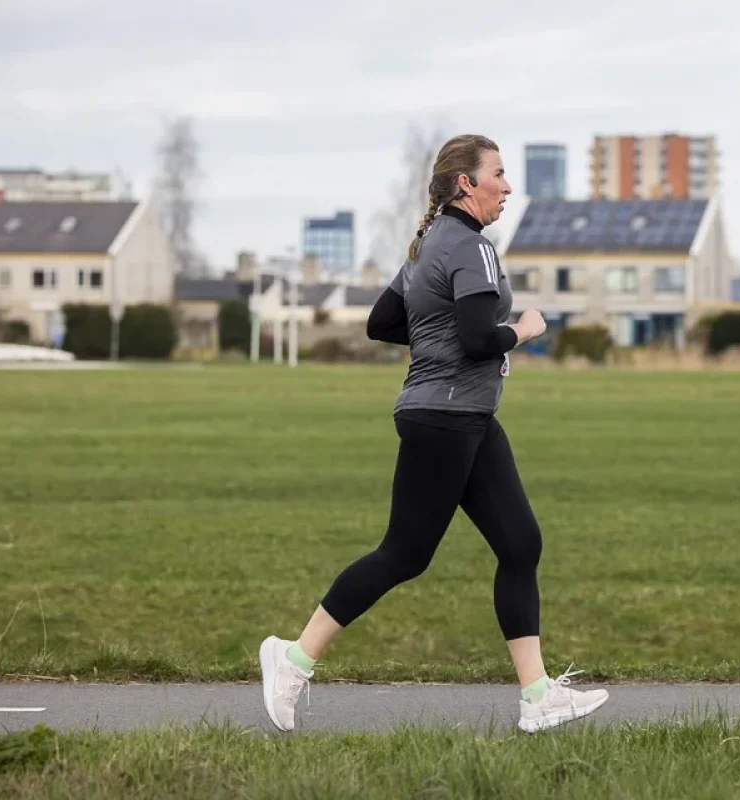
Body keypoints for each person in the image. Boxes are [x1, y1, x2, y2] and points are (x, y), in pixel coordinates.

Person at [258, 134, 609, 735]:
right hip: (445, 418)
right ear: (466, 184)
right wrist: (523, 330)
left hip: (465, 416)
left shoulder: (427, 247)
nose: (508, 186)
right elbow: (477, 338)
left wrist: (440, 339)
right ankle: (291, 659)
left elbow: (384, 322)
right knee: (404, 553)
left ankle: (537, 695)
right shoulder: (473, 247)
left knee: (520, 544)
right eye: (499, 174)